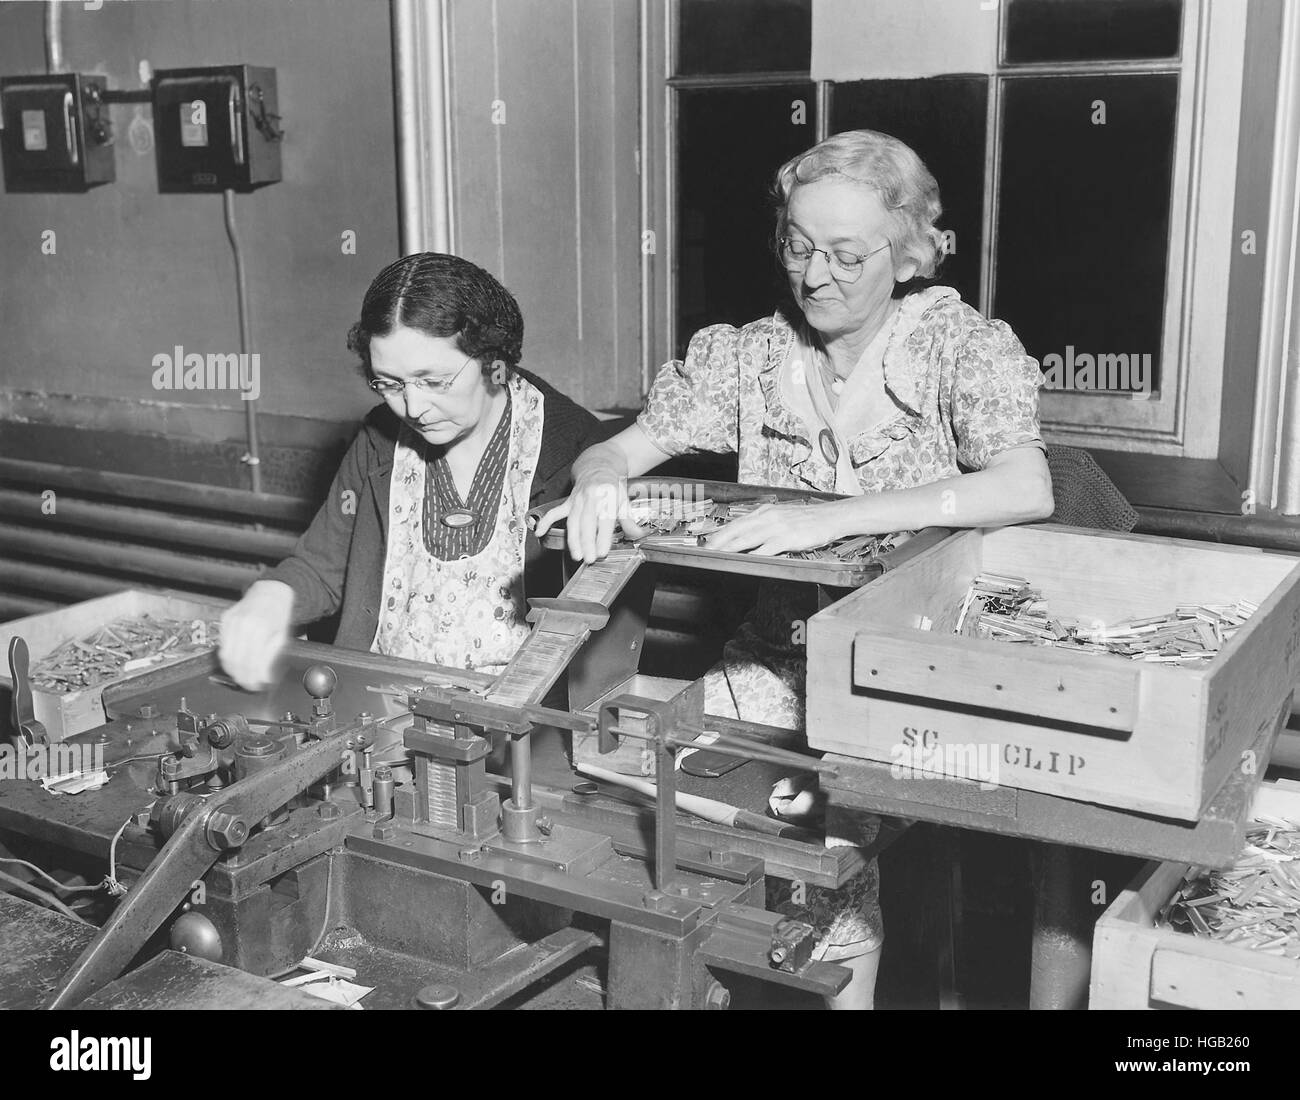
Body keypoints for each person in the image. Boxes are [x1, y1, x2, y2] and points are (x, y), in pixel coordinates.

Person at [538, 130, 1054, 1008]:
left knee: (820, 841)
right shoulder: (749, 356)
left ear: (911, 251)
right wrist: (595, 480)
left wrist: (826, 519)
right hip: (782, 655)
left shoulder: (956, 348)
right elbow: (621, 449)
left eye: (847, 255)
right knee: (627, 768)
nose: (815, 276)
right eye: (798, 246)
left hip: (909, 666)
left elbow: (1025, 484)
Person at [220, 252, 603, 689]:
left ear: (492, 358)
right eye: (390, 383)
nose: (414, 408)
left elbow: (596, 635)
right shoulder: (379, 441)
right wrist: (272, 597)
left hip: (518, 725)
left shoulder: (574, 450)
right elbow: (323, 567)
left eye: (434, 381)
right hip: (383, 707)